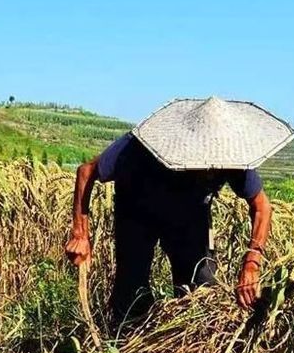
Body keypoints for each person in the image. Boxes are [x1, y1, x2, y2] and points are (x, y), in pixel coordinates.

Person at [65, 132, 273, 325]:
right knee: (131, 291)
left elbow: (262, 207)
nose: (211, 172)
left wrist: (252, 263)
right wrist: (80, 234)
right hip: (137, 209)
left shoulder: (230, 156)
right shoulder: (140, 144)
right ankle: (124, 347)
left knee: (202, 294)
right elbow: (87, 171)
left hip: (190, 215)